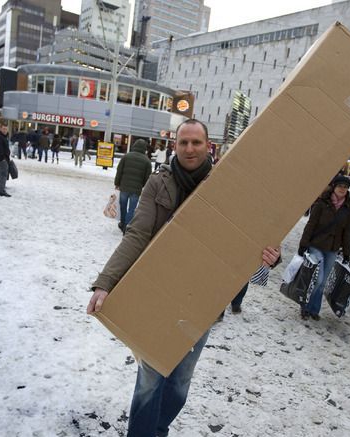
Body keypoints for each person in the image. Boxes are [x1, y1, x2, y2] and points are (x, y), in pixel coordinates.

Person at [88, 119, 280, 437]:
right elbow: (137, 233)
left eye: (196, 142)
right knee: (151, 377)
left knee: (180, 378)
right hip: (158, 292)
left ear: (209, 146)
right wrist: (106, 281)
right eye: (183, 143)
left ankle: (159, 429)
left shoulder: (229, 185)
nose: (189, 148)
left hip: (204, 300)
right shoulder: (158, 183)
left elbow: (252, 237)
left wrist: (271, 257)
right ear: (174, 146)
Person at [298, 175, 350, 320]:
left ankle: (314, 310)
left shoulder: (348, 208)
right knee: (317, 278)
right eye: (340, 186)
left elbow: (347, 232)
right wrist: (303, 244)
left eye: (345, 187)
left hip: (333, 249)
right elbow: (311, 225)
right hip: (316, 244)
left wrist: (347, 252)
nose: (343, 189)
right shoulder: (322, 203)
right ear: (334, 187)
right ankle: (305, 306)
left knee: (322, 282)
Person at [114, 139, 152, 233]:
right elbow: (148, 177)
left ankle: (122, 223)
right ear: (144, 148)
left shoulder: (126, 156)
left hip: (124, 186)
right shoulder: (147, 161)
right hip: (136, 189)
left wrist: (117, 183)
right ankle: (126, 227)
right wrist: (141, 185)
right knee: (132, 209)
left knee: (123, 206)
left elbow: (119, 171)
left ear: (134, 146)